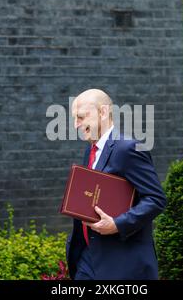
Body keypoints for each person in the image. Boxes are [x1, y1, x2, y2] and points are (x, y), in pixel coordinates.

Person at [66, 89, 167, 280]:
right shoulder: (90, 151)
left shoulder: (128, 148)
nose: (76, 125)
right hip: (88, 260)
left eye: (80, 117)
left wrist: (117, 224)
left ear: (103, 112)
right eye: (74, 119)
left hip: (122, 264)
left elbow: (156, 199)